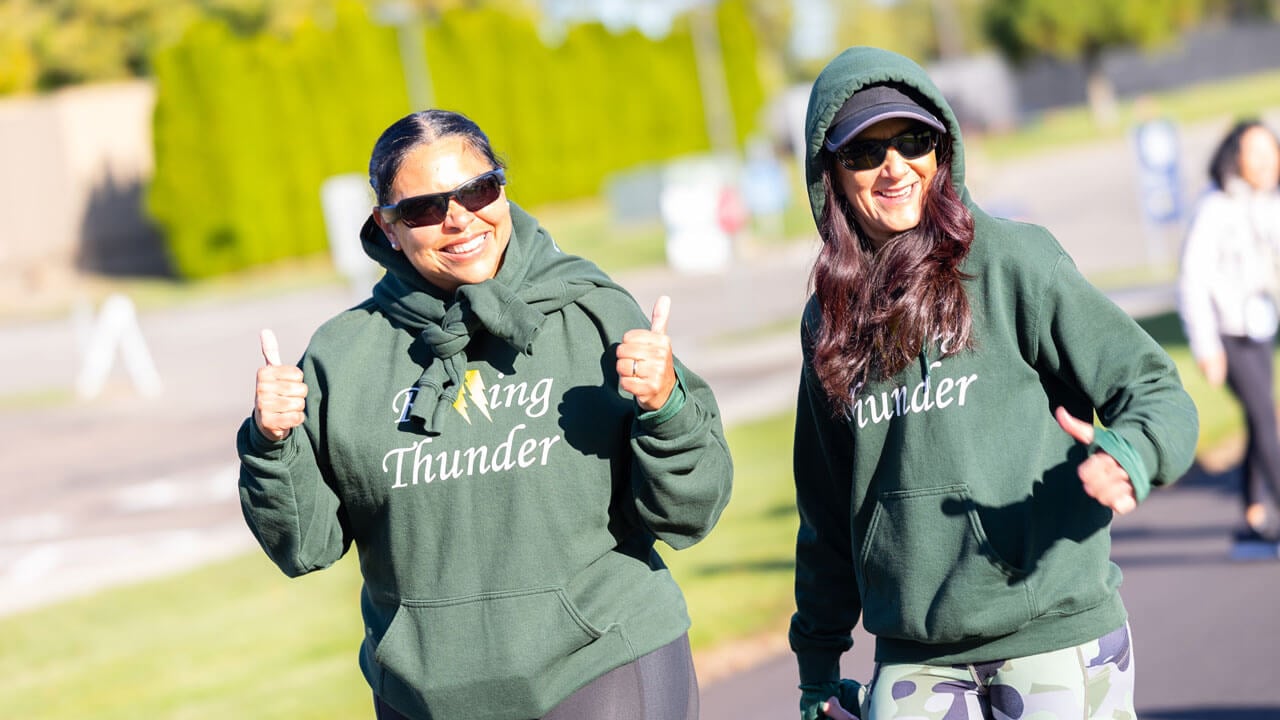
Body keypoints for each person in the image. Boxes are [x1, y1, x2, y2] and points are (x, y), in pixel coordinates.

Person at [238, 109, 732, 720]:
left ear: (502, 188)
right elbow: (304, 546)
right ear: (387, 228)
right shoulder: (342, 356)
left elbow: (691, 512)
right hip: (421, 696)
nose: (458, 218)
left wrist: (666, 406)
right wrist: (270, 443)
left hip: (601, 665)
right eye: (423, 208)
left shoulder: (594, 314)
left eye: (477, 190)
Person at [788, 47, 1199, 719]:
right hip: (914, 661)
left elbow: (1153, 386)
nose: (895, 167)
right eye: (865, 152)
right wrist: (817, 670)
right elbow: (827, 512)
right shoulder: (827, 321)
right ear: (831, 174)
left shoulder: (1015, 262)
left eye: (912, 141)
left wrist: (1134, 454)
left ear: (941, 150)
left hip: (1055, 638)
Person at [1177, 119, 1280, 554]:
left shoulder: (1268, 202)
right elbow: (1192, 280)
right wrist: (1206, 346)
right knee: (1266, 419)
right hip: (1226, 334)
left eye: (1271, 151)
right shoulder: (1214, 207)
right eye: (1255, 153)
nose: (1266, 162)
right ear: (1234, 157)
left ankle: (1254, 509)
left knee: (1261, 420)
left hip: (1259, 327)